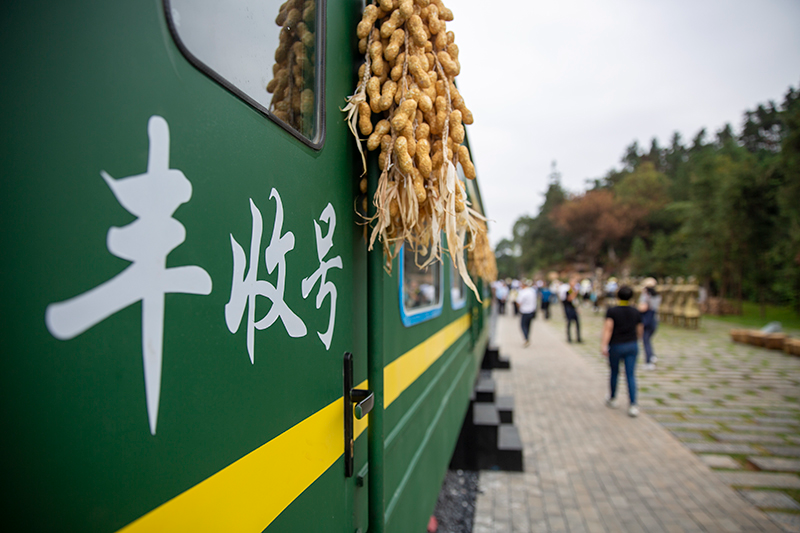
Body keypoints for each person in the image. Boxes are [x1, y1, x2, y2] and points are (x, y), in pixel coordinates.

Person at [601, 286, 643, 417]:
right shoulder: (636, 311)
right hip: (631, 345)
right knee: (630, 375)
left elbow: (608, 328)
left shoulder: (612, 311)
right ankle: (633, 404)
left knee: (614, 372)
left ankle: (613, 398)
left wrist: (603, 344)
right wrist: (636, 340)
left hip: (616, 345)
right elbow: (640, 329)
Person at [638, 278, 661, 370]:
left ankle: (649, 361)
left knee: (645, 340)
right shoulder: (658, 296)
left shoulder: (645, 296)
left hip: (646, 320)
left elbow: (643, 307)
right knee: (647, 340)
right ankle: (652, 356)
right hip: (655, 320)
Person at [517, 280, 537, 347]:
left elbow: (519, 302)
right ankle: (527, 337)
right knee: (528, 325)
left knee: (523, 325)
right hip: (532, 311)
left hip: (525, 311)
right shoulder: (532, 291)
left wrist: (518, 308)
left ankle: (526, 338)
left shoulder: (522, 292)